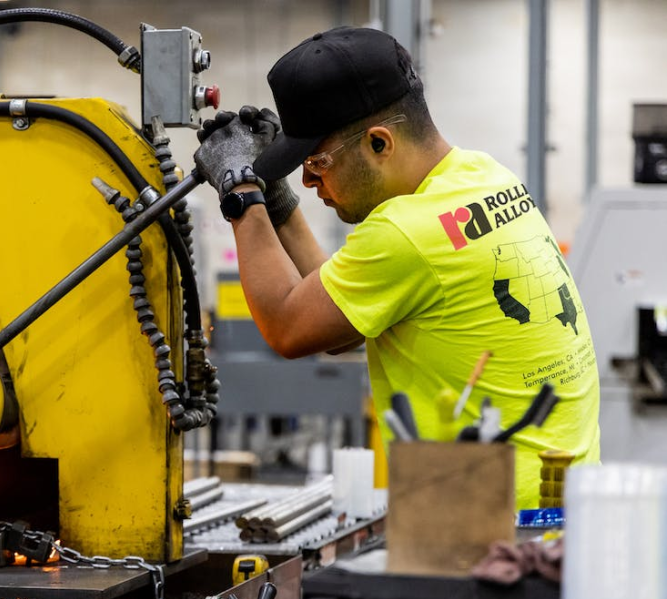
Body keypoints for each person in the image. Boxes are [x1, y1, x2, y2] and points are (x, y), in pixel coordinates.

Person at [193, 26, 600, 510]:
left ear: (379, 144)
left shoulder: (407, 230)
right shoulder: (484, 175)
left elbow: (286, 326)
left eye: (318, 161)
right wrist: (277, 201)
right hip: (561, 501)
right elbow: (340, 327)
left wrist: (241, 192)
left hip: (490, 521)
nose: (307, 179)